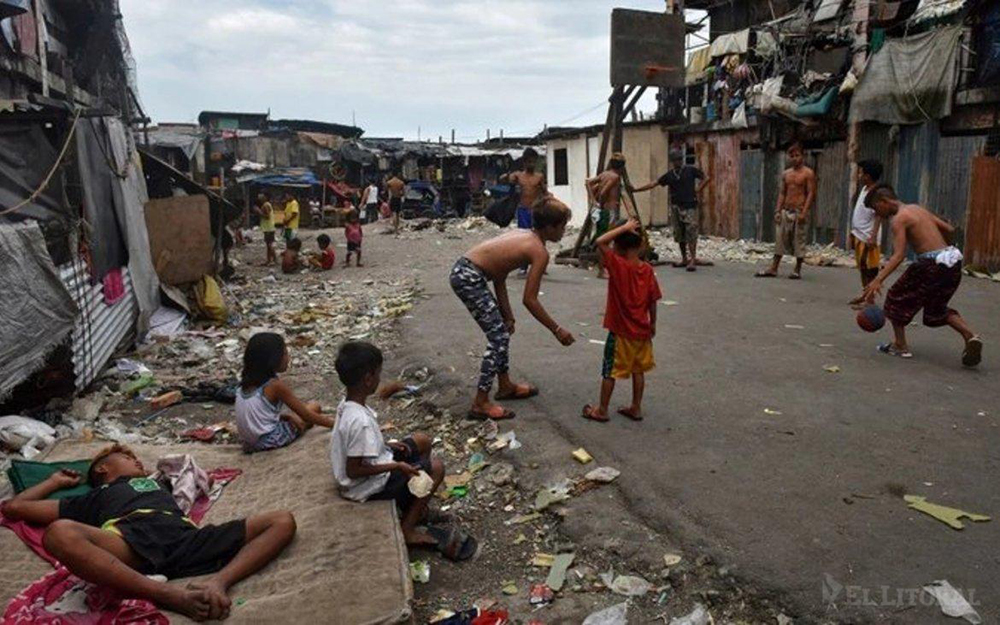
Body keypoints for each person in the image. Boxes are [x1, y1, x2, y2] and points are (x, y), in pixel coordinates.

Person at [0, 445, 296, 621]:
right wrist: (53, 482)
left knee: (281, 520)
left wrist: (218, 582)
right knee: (59, 532)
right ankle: (166, 594)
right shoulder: (93, 497)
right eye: (126, 457)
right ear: (103, 468)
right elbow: (14, 507)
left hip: (185, 538)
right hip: (130, 542)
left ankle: (218, 582)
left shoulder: (159, 483)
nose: (137, 459)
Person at [450, 195, 576, 421]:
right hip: (469, 277)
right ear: (549, 227)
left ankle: (505, 384)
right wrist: (556, 330)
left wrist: (507, 315)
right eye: (562, 226)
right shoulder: (538, 251)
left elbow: (499, 275)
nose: (564, 231)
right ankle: (480, 402)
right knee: (498, 336)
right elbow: (530, 300)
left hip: (465, 271)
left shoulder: (524, 235)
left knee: (502, 330)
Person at [329, 342, 444, 547]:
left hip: (373, 468)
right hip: (366, 487)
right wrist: (396, 465)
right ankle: (407, 528)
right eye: (378, 373)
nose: (380, 378)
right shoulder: (359, 422)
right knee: (436, 468)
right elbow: (354, 470)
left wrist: (388, 448)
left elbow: (360, 450)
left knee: (422, 442)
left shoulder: (348, 405)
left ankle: (413, 503)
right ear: (368, 379)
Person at [858, 185, 983, 366]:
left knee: (895, 296)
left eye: (876, 208)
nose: (879, 214)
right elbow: (948, 229)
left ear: (883, 202)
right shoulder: (916, 208)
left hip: (930, 264)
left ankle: (900, 345)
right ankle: (970, 336)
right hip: (951, 260)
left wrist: (878, 279)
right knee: (936, 309)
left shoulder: (899, 219)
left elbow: (899, 255)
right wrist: (943, 249)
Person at [582, 219, 662, 423]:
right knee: (639, 370)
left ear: (617, 247)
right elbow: (653, 300)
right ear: (641, 245)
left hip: (620, 332)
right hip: (642, 331)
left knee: (609, 371)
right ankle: (636, 407)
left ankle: (602, 410)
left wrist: (623, 228)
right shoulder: (647, 270)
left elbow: (600, 241)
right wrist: (652, 323)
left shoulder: (618, 265)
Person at [236, 332, 334, 453]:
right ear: (273, 359)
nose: (288, 358)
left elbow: (258, 416)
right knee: (314, 407)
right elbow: (306, 414)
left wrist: (286, 416)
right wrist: (335, 424)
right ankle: (304, 427)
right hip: (270, 440)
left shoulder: (243, 386)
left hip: (249, 444)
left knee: (295, 416)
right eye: (285, 354)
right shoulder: (275, 385)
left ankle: (302, 425)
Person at [633, 150, 710, 271]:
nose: (678, 162)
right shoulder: (670, 175)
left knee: (691, 232)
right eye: (675, 160)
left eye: (679, 159)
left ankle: (693, 259)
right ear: (672, 162)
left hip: (689, 206)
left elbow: (706, 178)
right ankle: (684, 258)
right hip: (676, 206)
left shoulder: (690, 170)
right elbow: (655, 183)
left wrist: (698, 189)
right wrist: (637, 189)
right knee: (680, 233)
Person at [756, 143, 816, 279]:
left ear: (803, 156)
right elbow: (782, 193)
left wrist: (804, 212)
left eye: (797, 155)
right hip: (786, 211)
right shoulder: (786, 174)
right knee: (780, 240)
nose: (794, 158)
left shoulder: (808, 173)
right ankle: (774, 268)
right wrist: (777, 210)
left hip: (799, 211)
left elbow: (811, 193)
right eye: (792, 156)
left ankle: (797, 269)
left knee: (799, 241)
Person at [501, 148, 547, 276]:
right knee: (524, 238)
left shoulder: (539, 177)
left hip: (536, 210)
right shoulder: (518, 176)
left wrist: (548, 201)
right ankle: (523, 266)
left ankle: (540, 265)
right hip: (523, 210)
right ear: (524, 162)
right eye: (529, 162)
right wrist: (506, 177)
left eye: (533, 162)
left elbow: (545, 192)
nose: (531, 164)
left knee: (539, 237)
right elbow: (504, 179)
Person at [847, 160, 884, 307]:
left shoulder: (876, 192)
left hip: (868, 236)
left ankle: (870, 300)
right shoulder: (864, 189)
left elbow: (879, 215)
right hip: (859, 234)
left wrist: (873, 236)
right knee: (862, 267)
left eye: (861, 172)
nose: (859, 175)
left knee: (870, 269)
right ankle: (865, 294)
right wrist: (853, 232)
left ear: (868, 176)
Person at [586, 154, 627, 279]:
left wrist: (593, 200)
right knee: (606, 241)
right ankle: (602, 270)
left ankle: (603, 269)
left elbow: (588, 182)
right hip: (609, 211)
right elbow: (604, 192)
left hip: (603, 211)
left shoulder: (604, 174)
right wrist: (600, 201)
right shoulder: (615, 177)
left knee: (602, 239)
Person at [254, 193, 277, 266]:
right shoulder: (267, 204)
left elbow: (267, 216)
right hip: (269, 227)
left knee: (269, 245)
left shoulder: (266, 205)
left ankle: (274, 259)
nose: (259, 197)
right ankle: (269, 260)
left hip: (268, 228)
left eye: (261, 196)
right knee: (268, 245)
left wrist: (258, 211)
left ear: (265, 197)